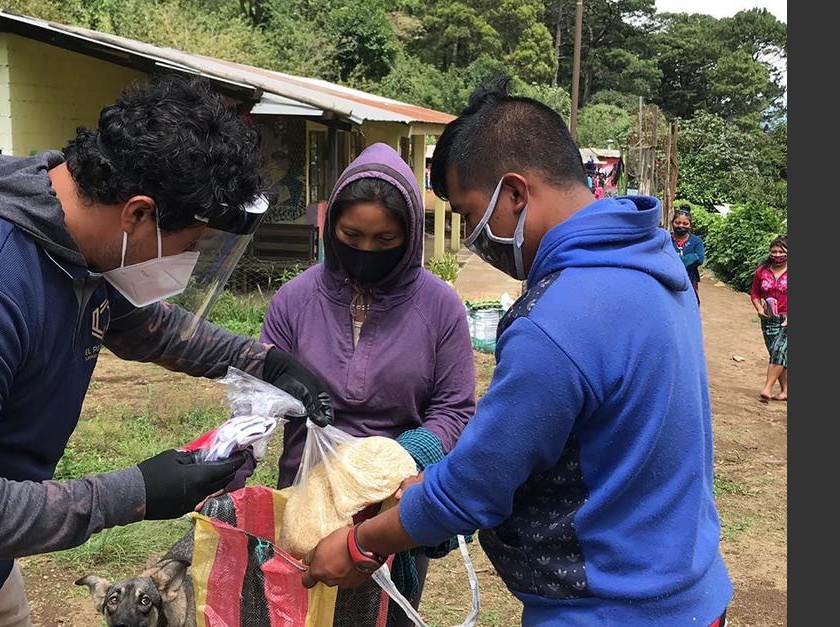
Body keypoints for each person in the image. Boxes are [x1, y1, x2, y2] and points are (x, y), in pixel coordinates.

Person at [300, 79, 731, 627]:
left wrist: (361, 544)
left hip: (607, 610)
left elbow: (473, 493)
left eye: (470, 212)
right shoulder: (650, 263)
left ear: (515, 194)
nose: (475, 234)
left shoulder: (557, 321)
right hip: (688, 593)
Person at [0, 74, 334, 626]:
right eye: (191, 245)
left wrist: (265, 363)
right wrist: (135, 492)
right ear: (137, 213)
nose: (189, 262)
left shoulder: (76, 239)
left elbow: (143, 325)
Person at [231, 142, 477, 625]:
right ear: (330, 228)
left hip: (392, 511)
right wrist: (230, 468)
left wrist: (394, 456)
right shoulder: (294, 302)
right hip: (305, 506)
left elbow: (454, 408)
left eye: (384, 241)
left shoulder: (439, 307)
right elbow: (261, 402)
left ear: (408, 237)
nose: (365, 251)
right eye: (351, 235)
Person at [750, 235, 788, 401]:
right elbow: (755, 293)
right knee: (777, 353)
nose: (777, 254)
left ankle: (767, 387)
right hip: (768, 319)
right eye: (774, 251)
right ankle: (786, 390)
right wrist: (759, 308)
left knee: (779, 350)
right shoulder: (762, 271)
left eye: (781, 251)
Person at [671, 209, 706, 305]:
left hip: (690, 281)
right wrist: (689, 259)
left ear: (690, 225)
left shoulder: (696, 241)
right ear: (672, 223)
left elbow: (699, 258)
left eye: (685, 223)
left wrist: (673, 261)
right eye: (677, 222)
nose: (681, 226)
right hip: (669, 280)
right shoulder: (666, 239)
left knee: (690, 305)